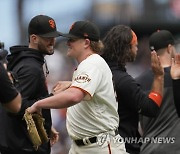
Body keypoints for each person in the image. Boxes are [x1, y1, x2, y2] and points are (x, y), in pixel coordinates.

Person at [27, 21, 127, 154]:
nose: (68, 43)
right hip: (83, 145)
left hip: (99, 146)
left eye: (72, 40)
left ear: (86, 43)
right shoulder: (89, 64)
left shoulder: (92, 63)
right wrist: (72, 83)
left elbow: (75, 96)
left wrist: (38, 104)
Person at [0, 15, 61, 154]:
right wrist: (53, 97)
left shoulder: (28, 62)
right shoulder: (30, 68)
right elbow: (17, 107)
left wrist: (45, 124)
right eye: (47, 37)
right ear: (34, 38)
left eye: (54, 36)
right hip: (23, 147)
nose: (52, 41)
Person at [102, 25, 164, 154]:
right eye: (134, 45)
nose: (137, 48)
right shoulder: (124, 81)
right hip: (123, 146)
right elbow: (151, 108)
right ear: (126, 48)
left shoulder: (99, 72)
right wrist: (158, 76)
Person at [136, 30, 180, 154]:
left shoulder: (137, 81)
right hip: (175, 148)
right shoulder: (177, 76)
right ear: (170, 48)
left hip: (148, 148)